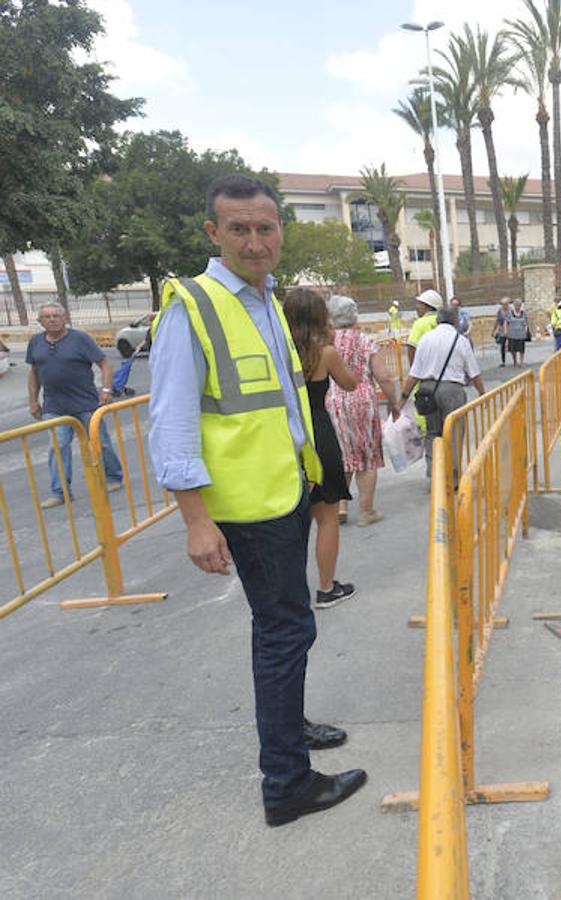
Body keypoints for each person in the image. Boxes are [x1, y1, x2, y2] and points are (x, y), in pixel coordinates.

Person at [147, 174, 365, 827]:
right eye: (237, 228)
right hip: (248, 505)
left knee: (280, 625)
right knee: (286, 628)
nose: (253, 240)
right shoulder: (196, 305)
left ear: (278, 232)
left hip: (285, 489)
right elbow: (172, 420)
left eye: (264, 227)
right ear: (213, 233)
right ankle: (287, 784)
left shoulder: (265, 300)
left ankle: (288, 730)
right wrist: (195, 520)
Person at [283, 289, 359, 609]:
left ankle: (291, 593)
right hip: (318, 434)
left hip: (284, 437)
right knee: (327, 517)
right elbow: (350, 383)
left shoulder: (278, 353)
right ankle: (326, 587)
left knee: (291, 521)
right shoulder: (324, 353)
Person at [27, 303, 124, 507]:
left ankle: (114, 477)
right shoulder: (36, 342)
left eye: (56, 315)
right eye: (47, 317)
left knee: (101, 443)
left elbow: (105, 364)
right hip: (54, 407)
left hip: (86, 405)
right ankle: (60, 491)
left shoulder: (80, 339)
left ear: (64, 318)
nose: (52, 319)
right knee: (58, 447)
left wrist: (106, 390)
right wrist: (33, 400)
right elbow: (34, 373)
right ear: (40, 322)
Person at [326, 295, 401, 527]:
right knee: (367, 457)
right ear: (354, 315)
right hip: (362, 401)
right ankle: (366, 511)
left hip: (335, 400)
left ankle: (341, 504)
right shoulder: (366, 341)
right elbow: (384, 377)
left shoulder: (326, 342)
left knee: (344, 453)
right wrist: (393, 402)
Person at [403, 306, 487, 480]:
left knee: (433, 432)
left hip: (427, 391)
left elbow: (415, 372)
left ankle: (435, 475)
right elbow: (473, 372)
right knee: (454, 432)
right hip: (452, 391)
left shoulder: (425, 339)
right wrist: (482, 393)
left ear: (437, 320)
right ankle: (453, 476)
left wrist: (402, 398)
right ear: (456, 321)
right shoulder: (461, 340)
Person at [405, 289, 441, 368]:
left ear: (428, 306)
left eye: (420, 304)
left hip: (426, 370)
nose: (417, 307)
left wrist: (414, 370)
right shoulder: (445, 320)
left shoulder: (420, 323)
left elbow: (412, 347)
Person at [505, 299, 531, 367]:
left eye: (519, 305)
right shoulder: (510, 313)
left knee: (521, 349)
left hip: (521, 334)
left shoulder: (523, 313)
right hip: (512, 334)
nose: (518, 307)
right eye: (516, 305)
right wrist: (506, 331)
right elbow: (506, 322)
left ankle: (521, 362)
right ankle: (515, 361)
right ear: (514, 306)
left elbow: (526, 322)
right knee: (513, 349)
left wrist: (526, 330)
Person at [493, 297, 510, 366]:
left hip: (510, 329)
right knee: (502, 345)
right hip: (501, 331)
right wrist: (494, 330)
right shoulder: (499, 312)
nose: (504, 305)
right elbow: (497, 321)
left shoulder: (510, 311)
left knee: (512, 344)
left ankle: (515, 359)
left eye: (505, 304)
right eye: (502, 304)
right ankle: (503, 361)